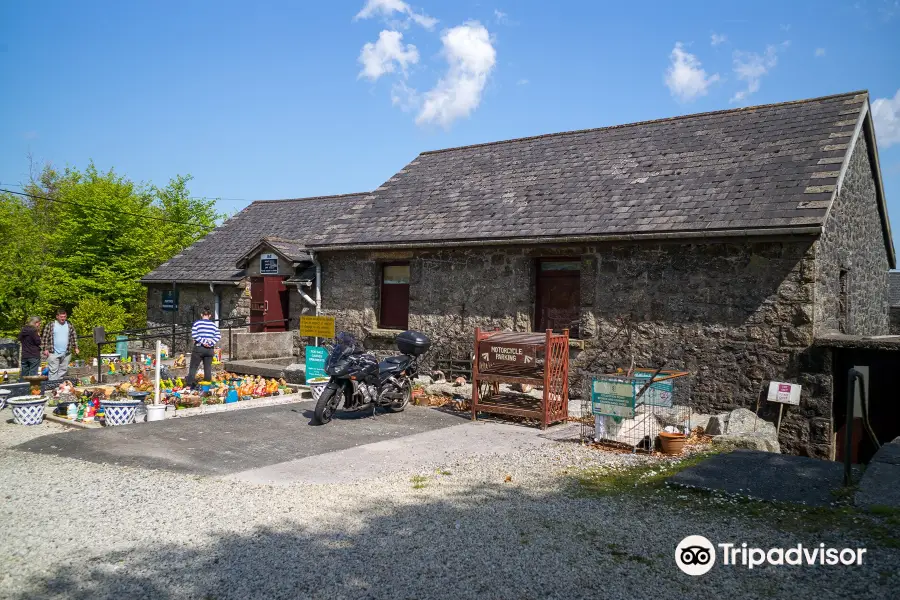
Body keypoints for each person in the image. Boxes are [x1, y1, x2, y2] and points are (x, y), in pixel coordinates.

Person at [41, 308, 79, 381]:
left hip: (66, 352)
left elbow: (73, 336)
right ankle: (52, 387)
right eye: (61, 317)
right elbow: (44, 337)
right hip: (53, 352)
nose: (63, 319)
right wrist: (45, 349)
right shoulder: (51, 325)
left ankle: (59, 386)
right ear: (57, 316)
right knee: (53, 371)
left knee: (63, 370)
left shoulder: (69, 324)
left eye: (64, 317)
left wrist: (76, 347)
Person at [187, 307, 220, 387]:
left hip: (199, 348)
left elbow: (194, 334)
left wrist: (203, 342)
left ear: (201, 315)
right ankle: (207, 386)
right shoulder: (213, 325)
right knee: (208, 368)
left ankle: (189, 385)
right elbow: (218, 336)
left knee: (193, 367)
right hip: (210, 349)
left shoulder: (197, 323)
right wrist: (210, 343)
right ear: (210, 315)